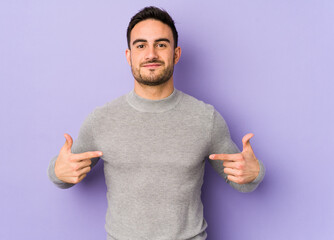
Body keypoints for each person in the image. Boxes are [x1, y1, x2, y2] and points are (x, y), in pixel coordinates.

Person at [48, 6, 265, 240]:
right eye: (141, 45)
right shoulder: (101, 119)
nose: (151, 54)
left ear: (176, 53)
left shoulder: (206, 118)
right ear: (129, 55)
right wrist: (58, 172)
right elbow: (64, 173)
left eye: (161, 44)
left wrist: (255, 173)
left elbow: (243, 181)